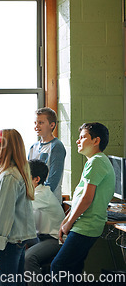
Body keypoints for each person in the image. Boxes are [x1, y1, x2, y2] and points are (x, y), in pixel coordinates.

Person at [50, 123, 115, 285]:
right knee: (73, 269)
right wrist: (66, 221)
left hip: (86, 226)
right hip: (84, 225)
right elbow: (81, 198)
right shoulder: (94, 161)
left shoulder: (97, 161)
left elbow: (87, 199)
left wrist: (69, 222)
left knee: (59, 266)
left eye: (82, 137)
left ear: (96, 141)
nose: (78, 141)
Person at [0, 129, 36, 286]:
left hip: (8, 241)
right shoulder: (7, 173)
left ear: (4, 149)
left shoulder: (9, 176)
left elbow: (4, 214)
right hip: (12, 239)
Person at [24, 159, 65, 286]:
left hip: (54, 239)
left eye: (25, 175)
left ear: (36, 179)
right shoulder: (35, 192)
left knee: (28, 258)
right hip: (41, 237)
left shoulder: (41, 195)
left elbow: (20, 211)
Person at [28, 107, 66, 202]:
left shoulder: (56, 146)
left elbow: (53, 178)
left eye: (40, 123)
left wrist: (40, 196)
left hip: (49, 200)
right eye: (35, 123)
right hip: (34, 198)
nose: (36, 126)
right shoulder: (33, 147)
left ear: (52, 125)